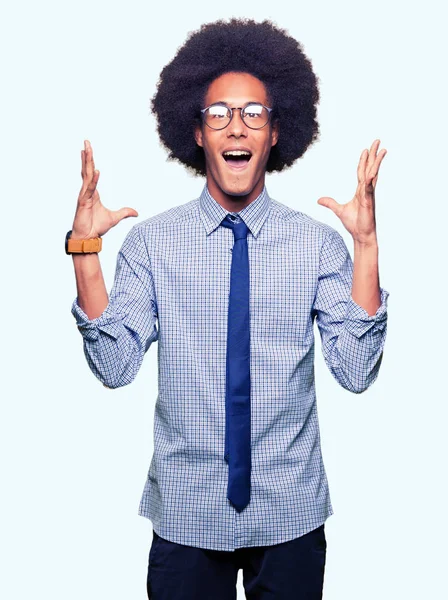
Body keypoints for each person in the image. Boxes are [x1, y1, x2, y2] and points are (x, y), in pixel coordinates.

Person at [68, 18, 389, 600]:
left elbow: (357, 370)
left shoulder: (317, 244)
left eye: (253, 114)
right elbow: (115, 369)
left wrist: (366, 247)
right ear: (195, 131)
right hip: (187, 514)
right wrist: (85, 252)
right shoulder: (152, 244)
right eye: (219, 113)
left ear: (274, 133)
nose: (235, 126)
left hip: (290, 513)